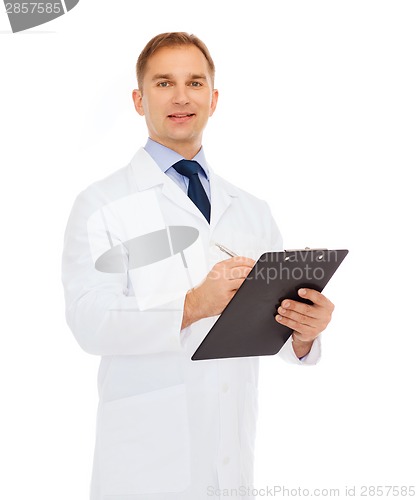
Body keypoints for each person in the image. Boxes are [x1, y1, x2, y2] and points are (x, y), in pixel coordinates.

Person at [61, 32, 335, 500]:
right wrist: (191, 305)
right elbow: (90, 322)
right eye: (164, 83)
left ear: (214, 98)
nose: (182, 96)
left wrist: (305, 331)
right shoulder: (102, 204)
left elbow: (272, 329)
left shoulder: (251, 210)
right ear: (138, 99)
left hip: (230, 460)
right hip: (144, 464)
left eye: (195, 82)